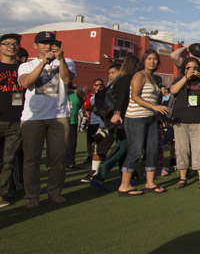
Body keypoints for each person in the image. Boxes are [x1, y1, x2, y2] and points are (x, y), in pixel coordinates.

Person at [17, 31, 76, 207]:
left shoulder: (67, 61)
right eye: (44, 43)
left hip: (59, 116)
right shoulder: (26, 65)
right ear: (35, 46)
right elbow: (26, 82)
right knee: (31, 159)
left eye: (52, 42)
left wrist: (61, 60)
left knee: (58, 157)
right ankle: (32, 196)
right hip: (33, 117)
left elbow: (67, 81)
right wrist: (44, 63)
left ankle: (54, 192)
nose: (49, 46)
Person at [117, 49, 169, 196]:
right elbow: (134, 96)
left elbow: (152, 98)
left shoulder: (153, 78)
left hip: (151, 118)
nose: (152, 62)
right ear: (144, 60)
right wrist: (154, 107)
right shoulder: (139, 75)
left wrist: (157, 114)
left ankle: (150, 183)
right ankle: (124, 185)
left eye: (155, 59)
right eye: (149, 59)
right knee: (135, 150)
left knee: (152, 150)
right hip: (136, 118)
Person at [89, 57, 138, 192]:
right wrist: (117, 113)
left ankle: (124, 176)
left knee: (124, 148)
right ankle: (100, 176)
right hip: (122, 117)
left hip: (117, 117)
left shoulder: (118, 80)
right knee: (122, 147)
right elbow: (122, 98)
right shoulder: (127, 78)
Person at [170, 57, 200, 189]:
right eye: (188, 68)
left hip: (198, 120)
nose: (192, 70)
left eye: (195, 67)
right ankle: (182, 177)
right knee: (181, 149)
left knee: (198, 148)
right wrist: (186, 77)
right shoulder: (180, 80)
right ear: (184, 70)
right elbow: (173, 90)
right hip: (180, 121)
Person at [0, 33, 23, 208]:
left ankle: (2, 194)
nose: (11, 46)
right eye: (6, 43)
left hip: (16, 121)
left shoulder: (23, 69)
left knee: (9, 160)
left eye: (15, 43)